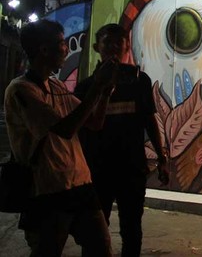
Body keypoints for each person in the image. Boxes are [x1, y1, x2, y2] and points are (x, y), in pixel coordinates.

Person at [4, 19, 117, 256]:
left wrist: (105, 92)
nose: (66, 49)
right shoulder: (21, 90)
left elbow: (94, 122)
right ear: (44, 49)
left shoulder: (57, 86)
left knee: (101, 247)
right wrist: (96, 86)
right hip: (48, 189)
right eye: (62, 43)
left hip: (80, 184)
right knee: (48, 250)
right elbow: (66, 128)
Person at [75, 23, 169, 257]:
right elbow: (77, 130)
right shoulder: (86, 87)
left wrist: (161, 157)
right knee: (95, 232)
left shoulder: (140, 82)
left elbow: (149, 120)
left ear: (128, 47)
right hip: (97, 169)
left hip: (131, 168)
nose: (114, 47)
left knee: (132, 229)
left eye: (119, 42)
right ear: (97, 47)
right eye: (108, 42)